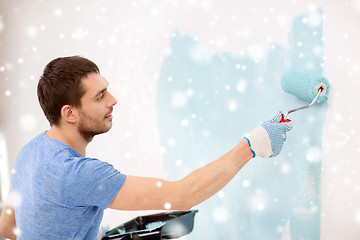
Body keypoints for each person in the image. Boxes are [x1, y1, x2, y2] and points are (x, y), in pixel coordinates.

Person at [0, 56, 292, 239]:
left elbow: (8, 229)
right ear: (70, 113)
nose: (113, 100)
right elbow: (183, 196)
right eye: (100, 96)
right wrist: (252, 145)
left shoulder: (32, 151)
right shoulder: (79, 175)